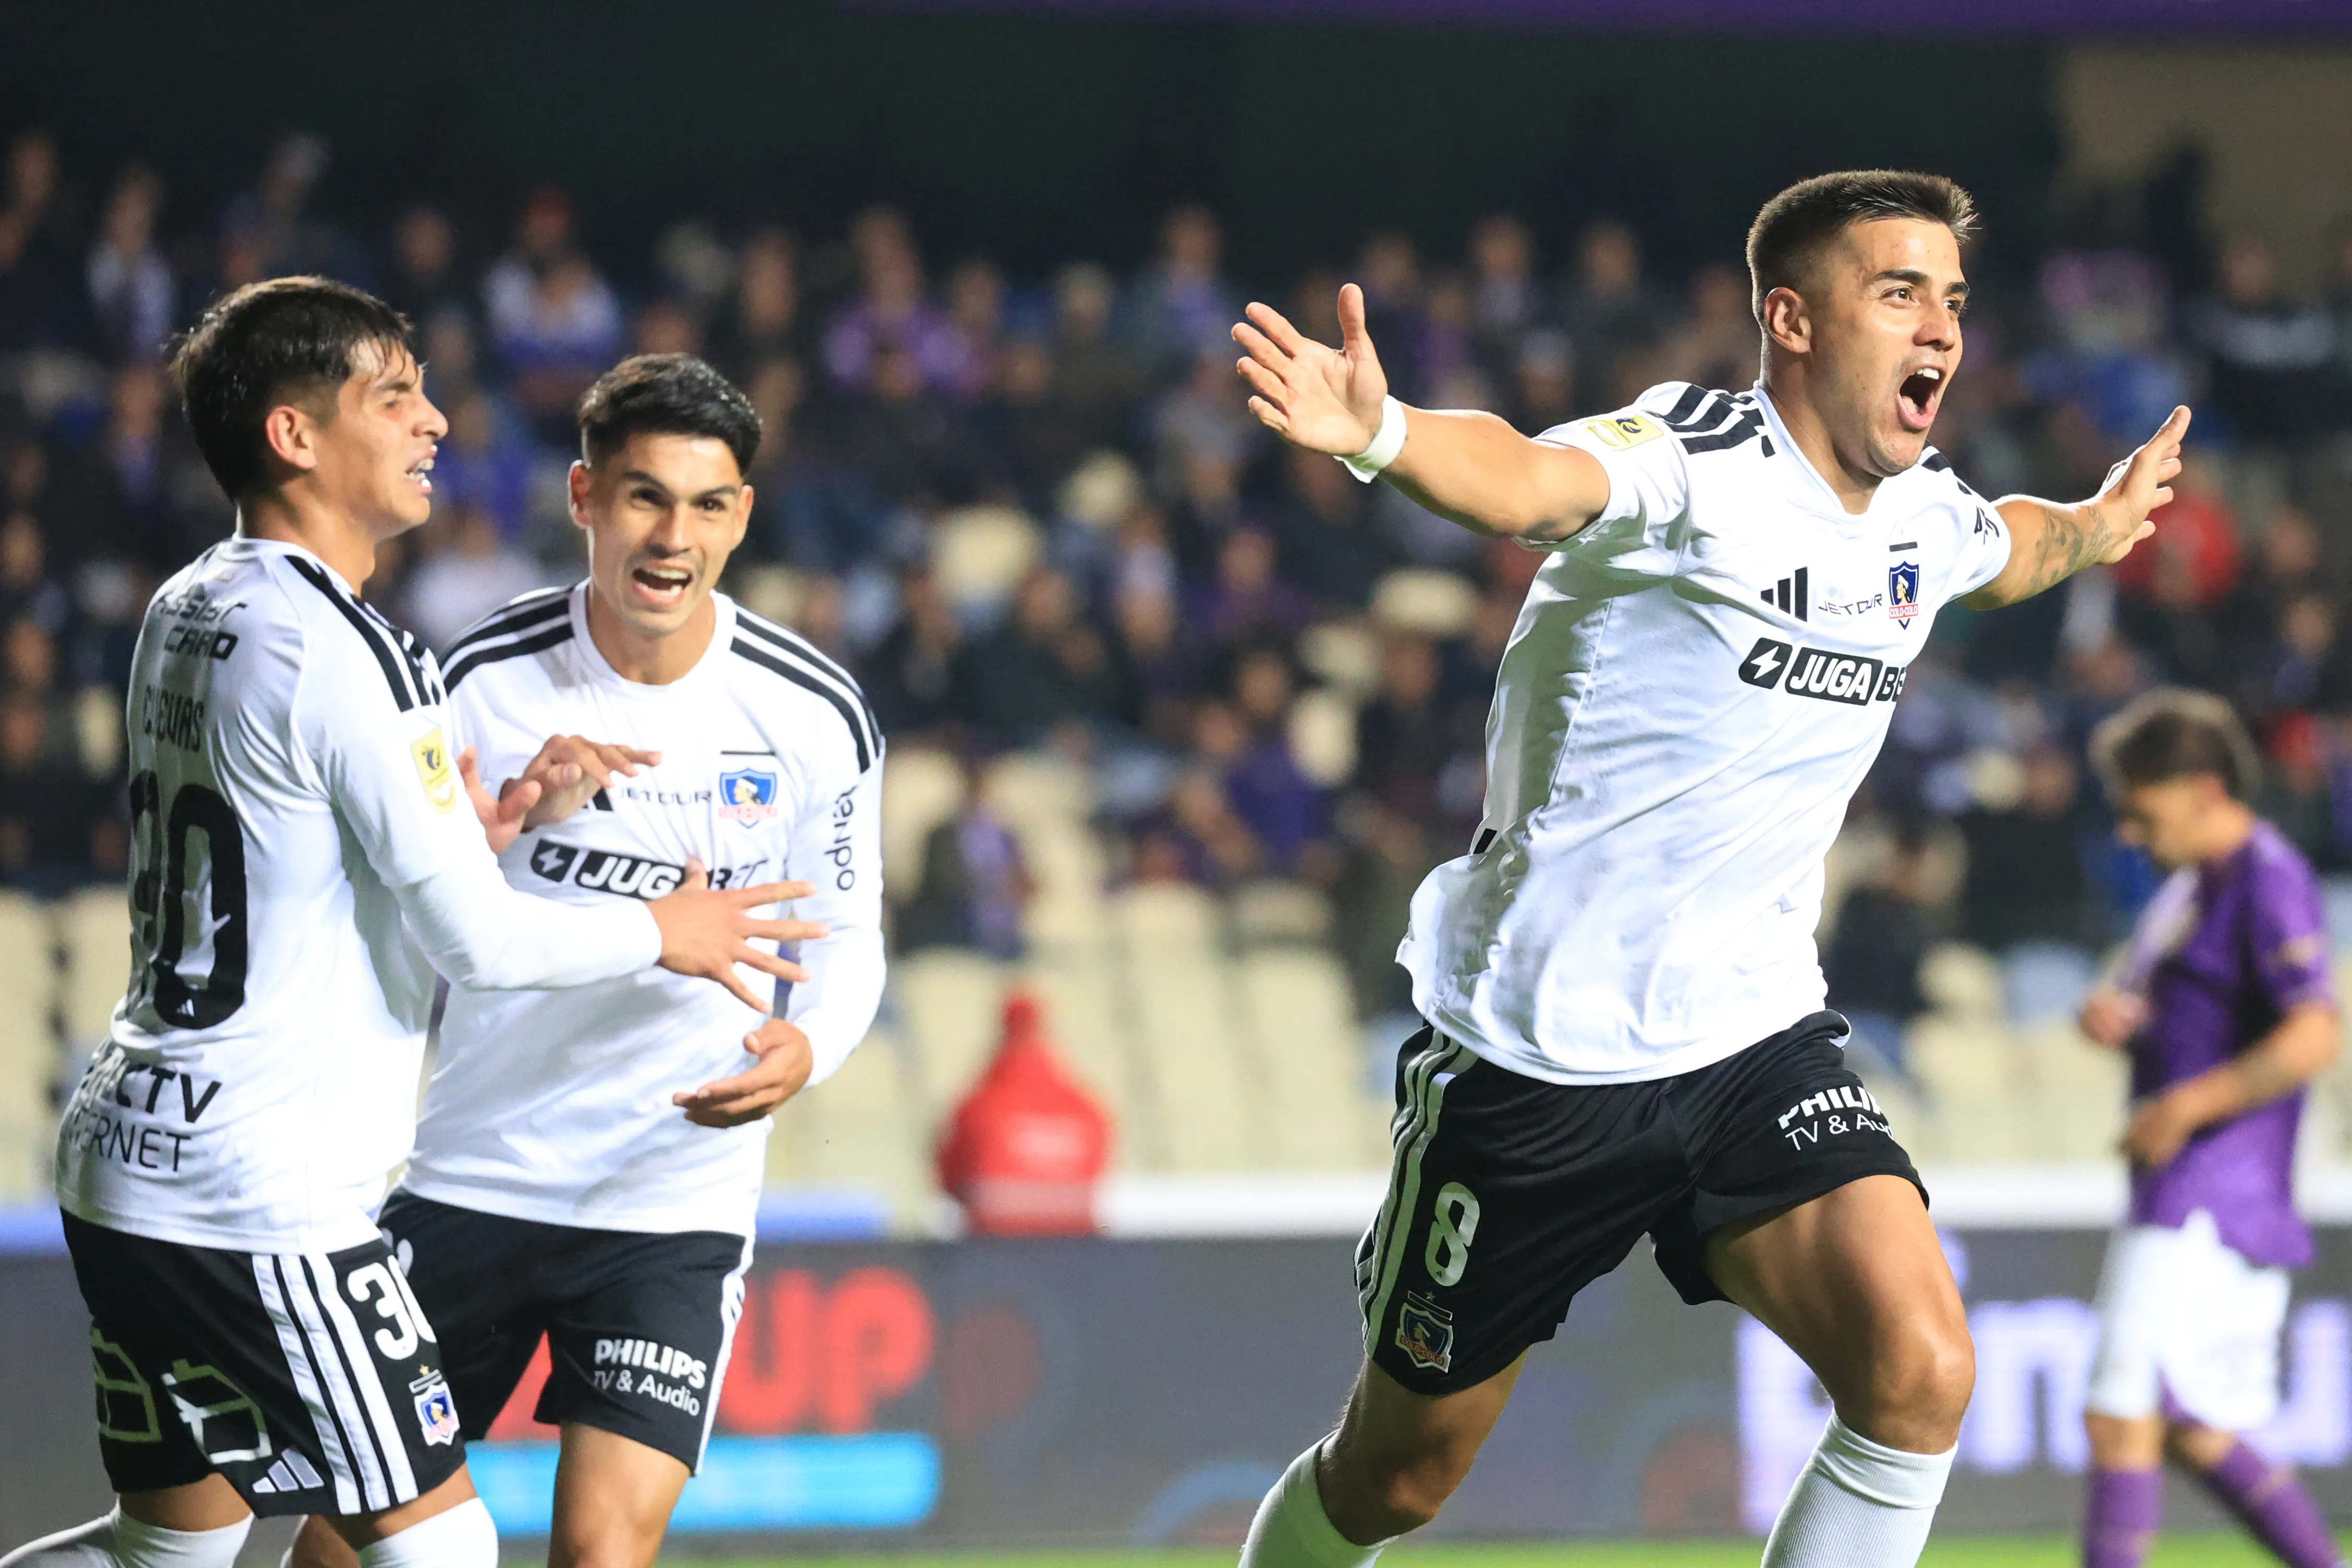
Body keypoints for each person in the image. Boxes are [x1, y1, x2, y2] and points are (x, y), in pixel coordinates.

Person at [1228, 169, 2192, 1568]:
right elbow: (1525, 480)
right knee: (1394, 1479)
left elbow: (2012, 547)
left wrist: (2100, 522)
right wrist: (1380, 432)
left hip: (1748, 1039)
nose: (1939, 327)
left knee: (1919, 1367)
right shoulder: (1692, 460)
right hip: (1539, 1057)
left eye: (1950, 299)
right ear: (1790, 321)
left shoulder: (1920, 515)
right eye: (1897, 293)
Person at [4, 279, 818, 1568]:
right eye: (394, 397)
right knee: (440, 1548)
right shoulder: (352, 650)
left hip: (130, 1155)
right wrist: (666, 929)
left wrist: (471, 828)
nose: (435, 422)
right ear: (293, 435)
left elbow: (283, 849)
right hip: (256, 1193)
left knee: (164, 1553)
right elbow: (480, 947)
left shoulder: (187, 605)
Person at [285, 353, 886, 1568]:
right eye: (643, 497)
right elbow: (388, 925)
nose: (673, 537)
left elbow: (848, 940)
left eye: (706, 505)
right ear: (583, 498)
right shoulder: (474, 682)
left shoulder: (812, 714)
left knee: (603, 1550)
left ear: (742, 517)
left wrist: (807, 1046)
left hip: (669, 1204)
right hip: (474, 1177)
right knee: (347, 1551)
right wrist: (506, 824)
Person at [2075, 690, 2342, 1568]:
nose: (2128, 833)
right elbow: (2193, 1017)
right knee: (2187, 1424)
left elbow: (2313, 1034)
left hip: (2215, 1188)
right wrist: (2122, 1020)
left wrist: (2186, 1106)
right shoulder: (2189, 889)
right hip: (2182, 1184)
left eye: (2140, 811)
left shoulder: (2268, 878)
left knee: (2120, 1411)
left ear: (2202, 788)